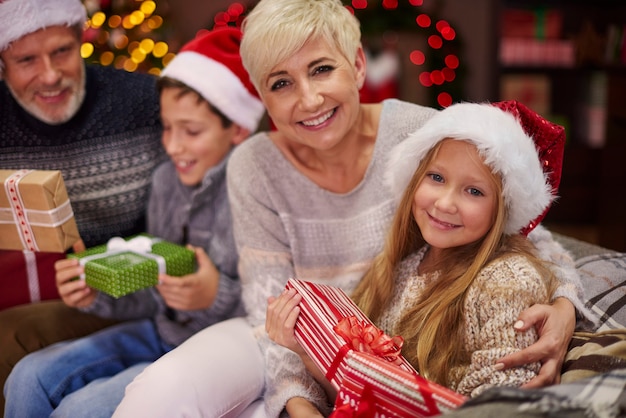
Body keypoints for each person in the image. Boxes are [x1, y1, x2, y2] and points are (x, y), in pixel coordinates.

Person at [113, 1, 592, 417]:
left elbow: (526, 235)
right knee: (154, 393)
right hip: (290, 340)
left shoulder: (421, 134)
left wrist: (565, 305)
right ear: (262, 97)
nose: (308, 98)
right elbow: (270, 313)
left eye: (322, 69)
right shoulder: (253, 166)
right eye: (281, 82)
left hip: (389, 349)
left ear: (358, 66)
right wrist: (297, 404)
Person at [3, 26, 265, 418]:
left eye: (191, 131)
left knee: (78, 410)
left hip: (214, 347)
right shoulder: (166, 182)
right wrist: (98, 295)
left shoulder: (254, 191)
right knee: (27, 377)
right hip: (159, 331)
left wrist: (215, 295)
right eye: (167, 128)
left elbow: (275, 300)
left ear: (238, 128)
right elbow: (152, 289)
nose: (172, 146)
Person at [267, 101, 571, 406]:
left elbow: (503, 405)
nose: (445, 203)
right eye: (436, 178)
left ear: (501, 210)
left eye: (474, 191)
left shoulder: (506, 280)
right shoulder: (400, 268)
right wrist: (306, 351)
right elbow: (359, 390)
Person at [0, 0, 165, 413]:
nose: (51, 75)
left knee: (10, 338)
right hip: (48, 285)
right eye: (26, 60)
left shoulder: (144, 103)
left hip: (136, 289)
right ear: (2, 63)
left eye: (61, 51)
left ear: (81, 41)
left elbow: (184, 225)